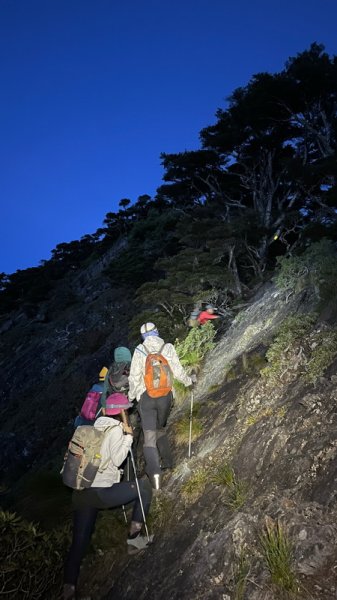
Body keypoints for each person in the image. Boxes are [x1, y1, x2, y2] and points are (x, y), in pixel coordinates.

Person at [63, 395, 153, 600]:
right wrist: (128, 436)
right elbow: (119, 459)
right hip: (101, 493)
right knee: (144, 489)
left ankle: (68, 589)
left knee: (79, 543)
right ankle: (133, 540)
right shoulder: (115, 430)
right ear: (122, 411)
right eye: (126, 410)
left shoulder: (94, 426)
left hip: (80, 493)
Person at [128, 322, 194, 490]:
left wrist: (131, 396)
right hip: (165, 396)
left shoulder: (139, 350)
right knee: (160, 428)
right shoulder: (167, 347)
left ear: (143, 336)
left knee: (149, 436)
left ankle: (156, 477)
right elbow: (177, 371)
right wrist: (189, 382)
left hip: (146, 397)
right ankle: (170, 463)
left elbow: (134, 377)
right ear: (157, 332)